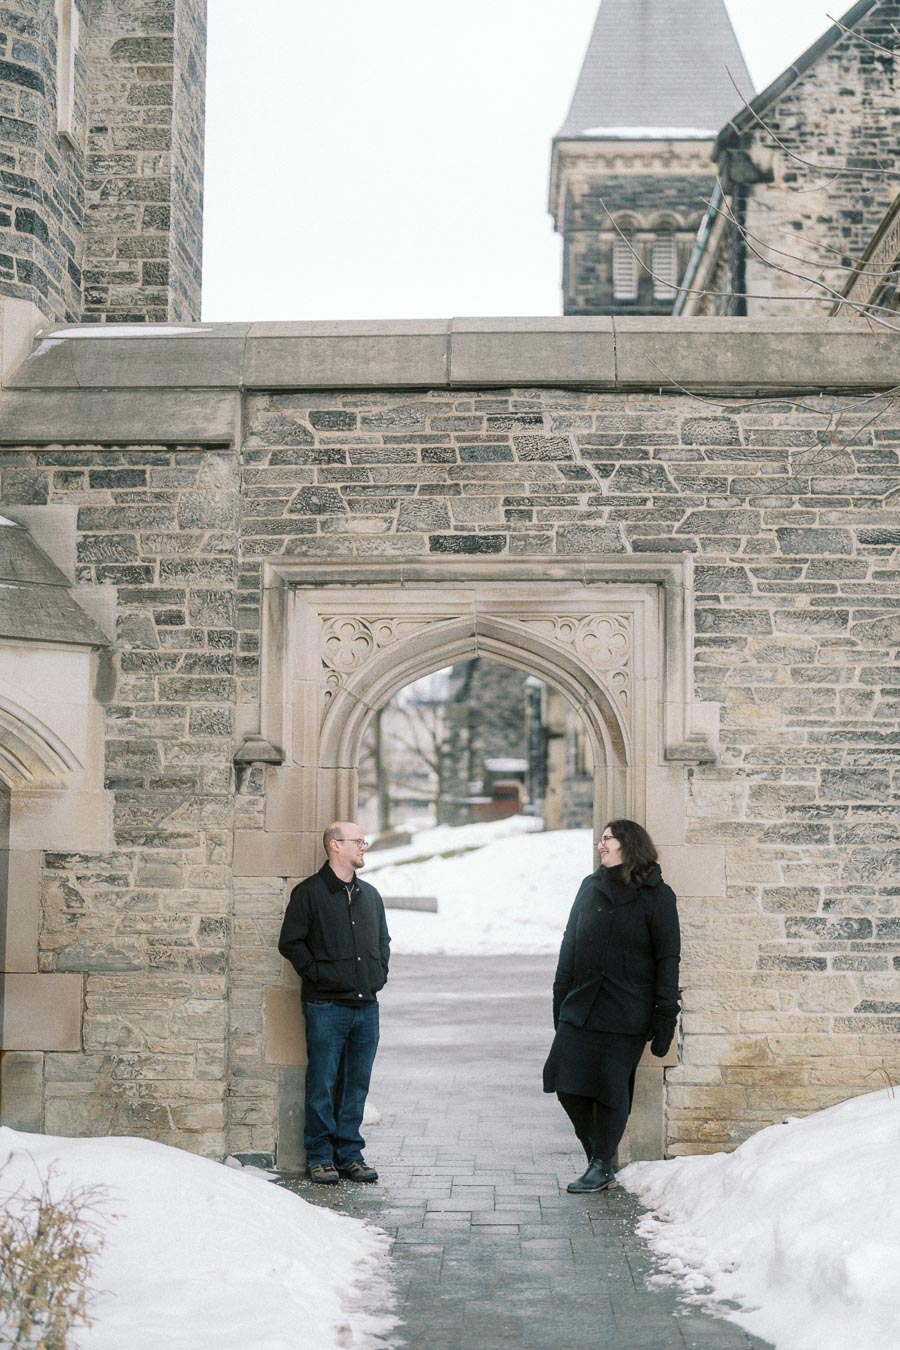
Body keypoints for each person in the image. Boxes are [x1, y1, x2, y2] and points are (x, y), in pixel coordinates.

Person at [543, 818, 680, 1194]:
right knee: (565, 1084)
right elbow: (569, 944)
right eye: (601, 840)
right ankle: (597, 1155)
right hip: (582, 1006)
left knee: (610, 1088)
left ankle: (602, 1164)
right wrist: (561, 997)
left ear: (629, 844)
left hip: (627, 1010)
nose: (601, 846)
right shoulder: (590, 887)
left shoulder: (657, 895)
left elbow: (668, 958)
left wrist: (666, 1014)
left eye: (608, 839)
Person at [278, 822, 390, 1186]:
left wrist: (377, 976)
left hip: (365, 1007)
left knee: (356, 1084)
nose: (364, 847)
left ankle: (350, 1155)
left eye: (363, 841)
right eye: (357, 841)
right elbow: (291, 943)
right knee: (323, 1082)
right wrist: (319, 976)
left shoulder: (370, 895)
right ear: (334, 846)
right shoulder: (309, 893)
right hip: (326, 1006)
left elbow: (383, 941)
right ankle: (320, 1156)